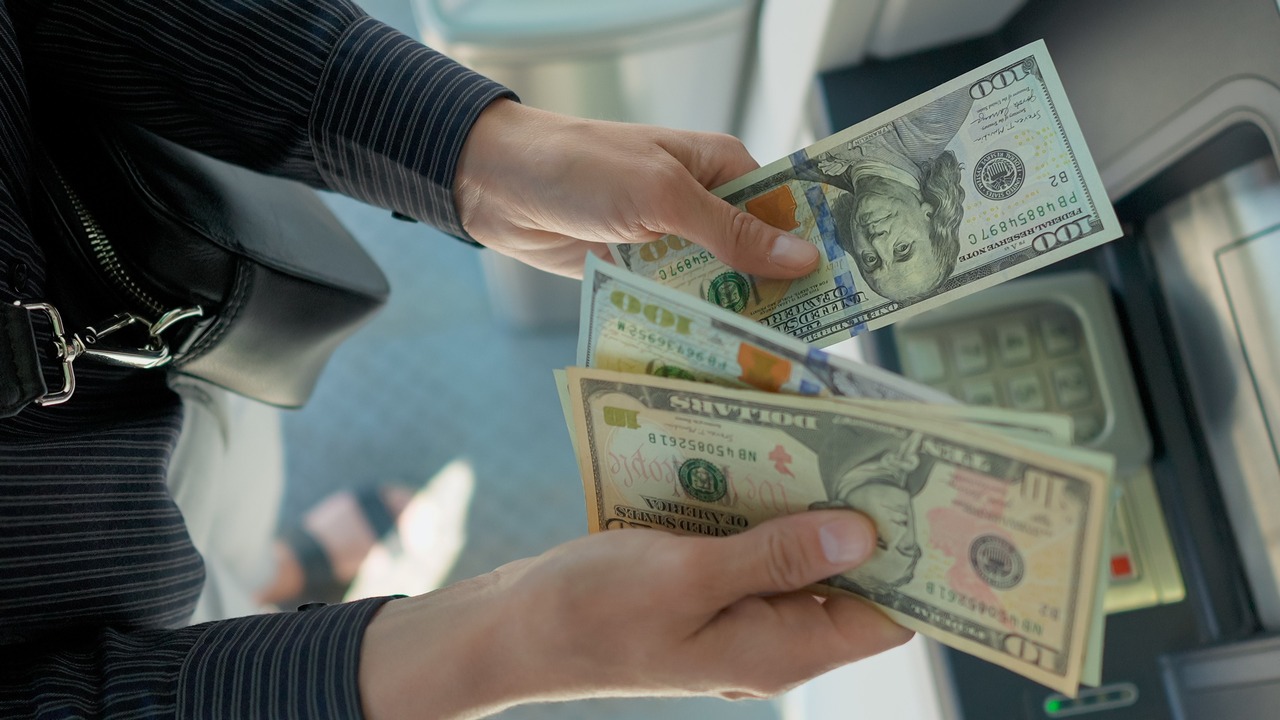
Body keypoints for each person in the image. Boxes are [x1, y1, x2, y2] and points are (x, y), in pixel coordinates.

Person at [0, 1, 912, 718]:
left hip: (163, 325)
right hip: (47, 629)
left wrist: (474, 153)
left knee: (224, 496)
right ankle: (248, 612)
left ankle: (258, 586)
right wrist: (511, 637)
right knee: (193, 614)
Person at [798, 90, 973, 304]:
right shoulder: (936, 121)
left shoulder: (809, 174)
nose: (878, 241)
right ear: (929, 213)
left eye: (870, 260)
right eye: (902, 249)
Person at [812, 430, 925, 601]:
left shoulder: (820, 437)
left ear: (834, 511)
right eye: (906, 547)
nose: (901, 530)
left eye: (878, 539)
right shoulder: (921, 476)